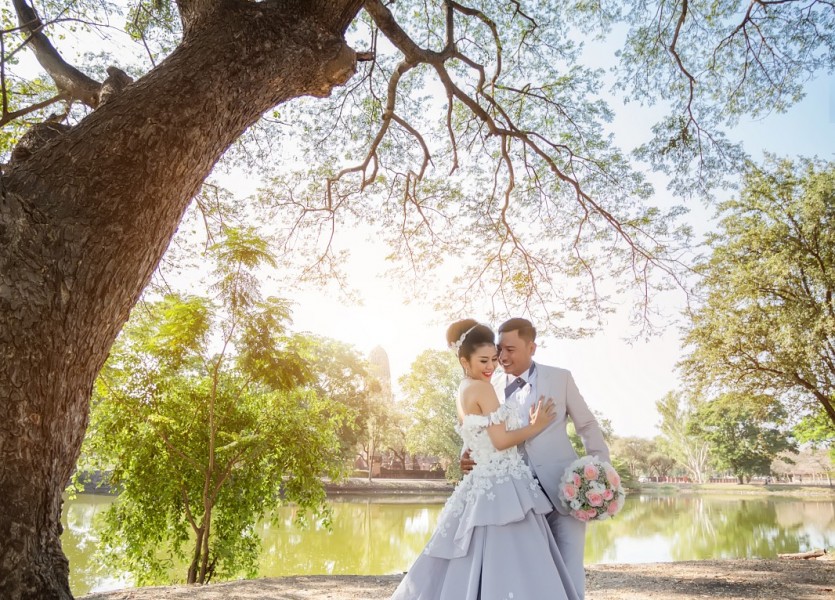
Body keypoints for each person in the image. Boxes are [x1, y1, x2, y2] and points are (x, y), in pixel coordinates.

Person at [391, 319, 581, 600]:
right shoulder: (484, 389)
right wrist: (536, 425)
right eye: (483, 360)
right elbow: (500, 440)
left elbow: (477, 439)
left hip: (483, 480)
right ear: (464, 360)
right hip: (501, 484)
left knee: (475, 557)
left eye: (494, 358)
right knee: (516, 560)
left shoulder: (464, 389)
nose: (491, 366)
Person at [461, 317, 611, 599]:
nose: (502, 357)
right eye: (499, 349)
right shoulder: (487, 382)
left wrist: (600, 469)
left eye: (510, 349)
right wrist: (466, 453)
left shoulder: (560, 378)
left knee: (568, 565)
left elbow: (587, 426)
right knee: (525, 572)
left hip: (565, 490)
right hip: (514, 497)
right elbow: (477, 426)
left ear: (532, 347)